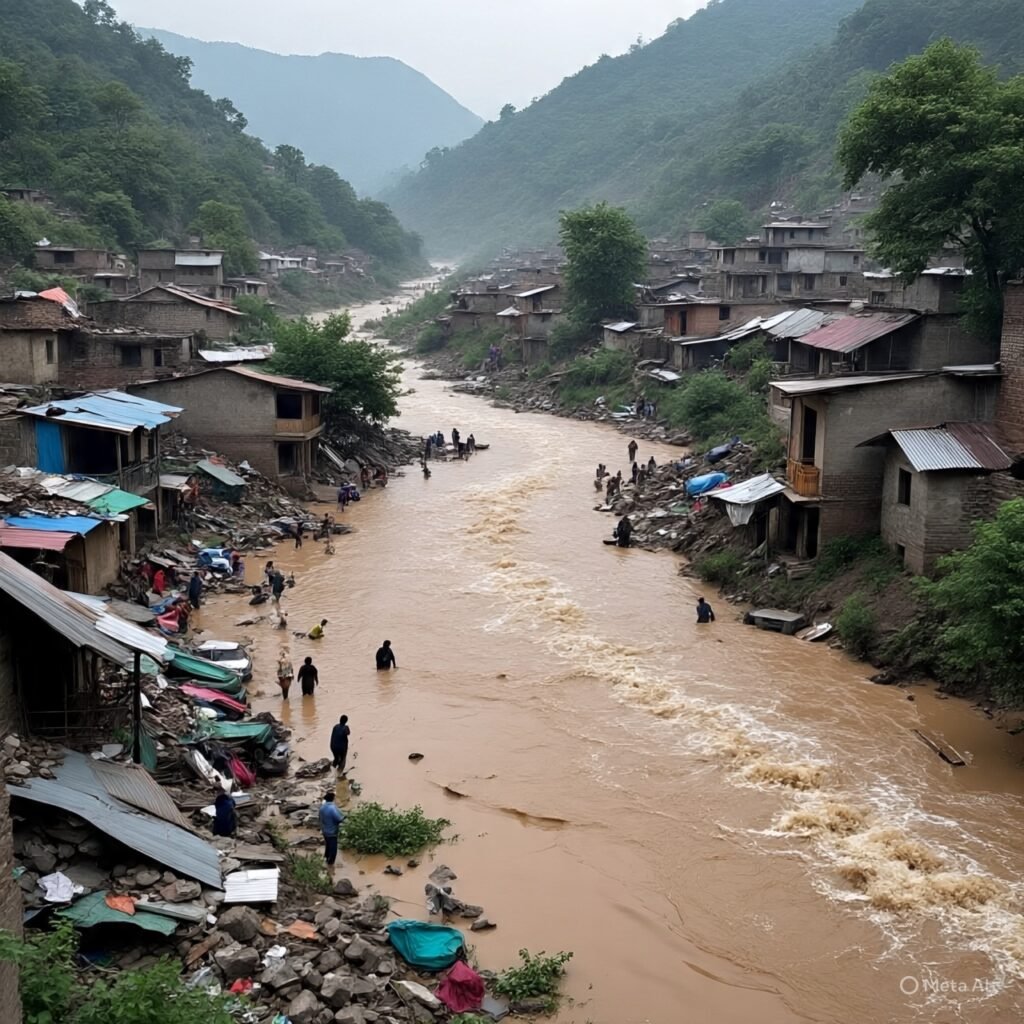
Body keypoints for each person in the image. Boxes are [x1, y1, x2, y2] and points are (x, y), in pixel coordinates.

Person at [319, 791, 345, 867]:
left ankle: (326, 858)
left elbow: (320, 818)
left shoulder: (322, 807)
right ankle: (330, 863)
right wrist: (344, 817)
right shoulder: (332, 808)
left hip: (325, 830)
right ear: (333, 799)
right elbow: (338, 819)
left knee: (327, 845)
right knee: (333, 847)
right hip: (332, 831)